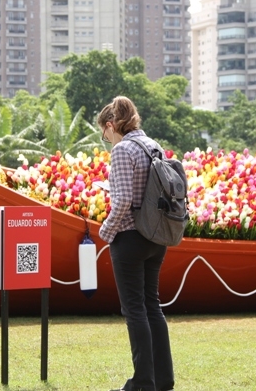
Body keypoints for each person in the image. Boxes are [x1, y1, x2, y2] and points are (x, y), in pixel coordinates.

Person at [97, 96, 175, 391]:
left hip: (129, 237)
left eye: (104, 134)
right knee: (152, 306)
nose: (105, 139)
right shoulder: (152, 145)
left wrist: (105, 232)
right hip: (157, 236)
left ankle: (143, 381)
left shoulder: (121, 150)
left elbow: (123, 202)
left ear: (110, 125)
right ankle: (163, 379)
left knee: (134, 310)